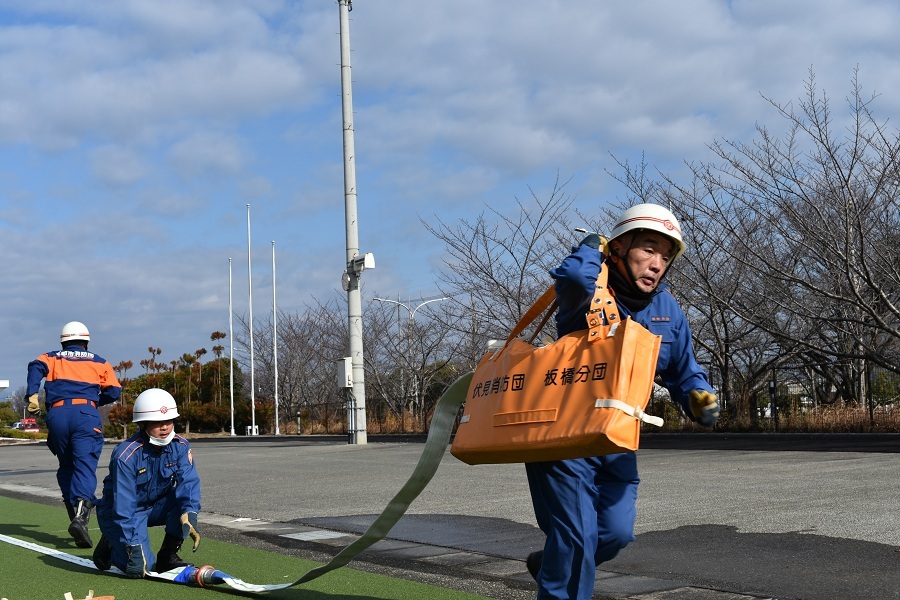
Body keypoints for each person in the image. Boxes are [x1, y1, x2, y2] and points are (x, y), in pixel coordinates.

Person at [524, 204, 720, 600]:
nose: (657, 264)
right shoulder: (588, 290)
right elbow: (575, 276)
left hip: (618, 440)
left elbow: (683, 369)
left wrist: (697, 394)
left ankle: (549, 565)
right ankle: (559, 579)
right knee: (576, 535)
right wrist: (591, 248)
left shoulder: (668, 310)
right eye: (648, 249)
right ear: (619, 248)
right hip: (565, 437)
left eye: (665, 257)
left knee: (614, 533)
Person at [26, 321, 122, 548]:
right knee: (84, 466)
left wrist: (32, 395)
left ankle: (74, 513)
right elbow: (114, 391)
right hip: (85, 414)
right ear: (86, 341)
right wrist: (94, 401)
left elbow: (34, 367)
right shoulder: (99, 361)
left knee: (67, 466)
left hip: (57, 414)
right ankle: (81, 515)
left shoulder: (51, 357)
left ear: (63, 340)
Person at [92, 388, 203, 579]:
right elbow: (124, 507)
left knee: (181, 503)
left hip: (153, 506)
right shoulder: (125, 456)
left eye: (168, 421)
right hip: (120, 514)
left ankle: (167, 557)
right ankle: (111, 544)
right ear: (143, 424)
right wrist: (132, 545)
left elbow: (189, 482)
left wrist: (190, 513)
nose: (165, 427)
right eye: (157, 422)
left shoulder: (181, 446)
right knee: (141, 569)